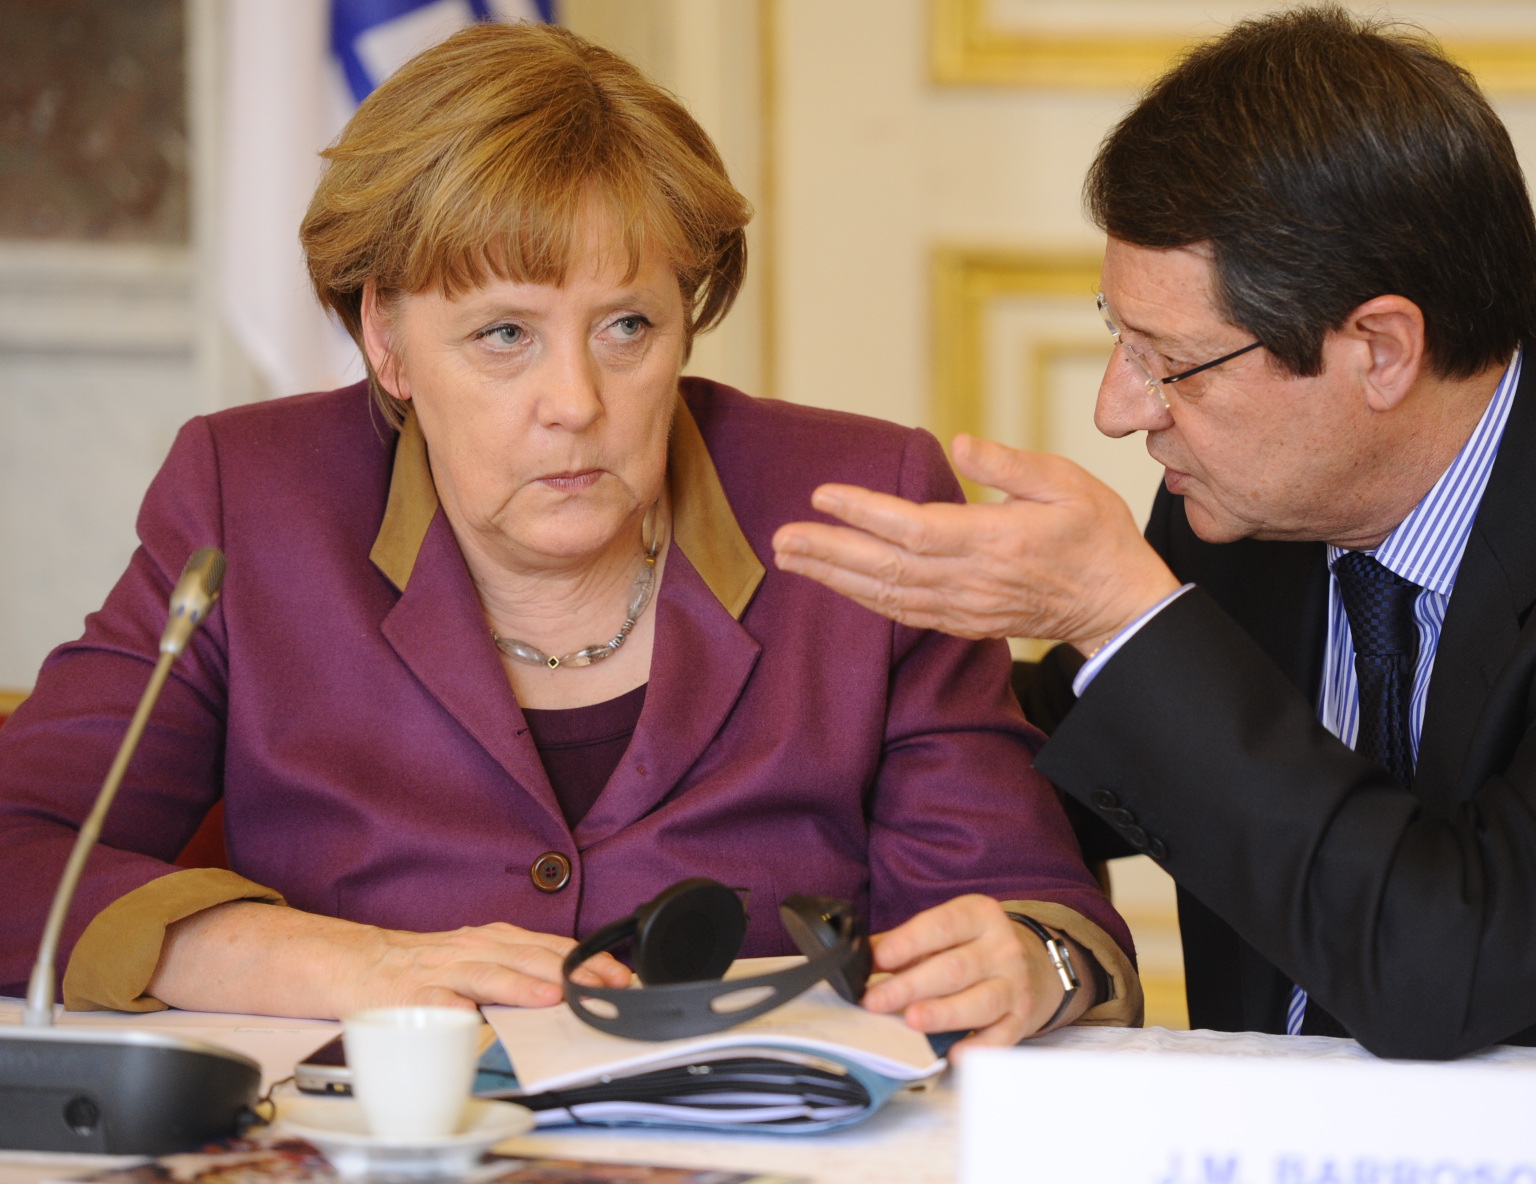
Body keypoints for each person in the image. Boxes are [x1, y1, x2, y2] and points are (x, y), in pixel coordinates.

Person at [0, 21, 1140, 1050]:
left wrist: (1028, 962)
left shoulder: (856, 506)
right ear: (386, 339)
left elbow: (1037, 910)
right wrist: (338, 962)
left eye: (626, 326)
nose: (576, 402)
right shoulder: (252, 501)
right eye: (504, 334)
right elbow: (17, 847)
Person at [773, 5, 1536, 1060]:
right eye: (1122, 337)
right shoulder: (1245, 500)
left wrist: (1121, 617)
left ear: (1380, 350)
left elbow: (1446, 963)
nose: (1119, 409)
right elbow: (1043, 763)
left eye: (1171, 361)